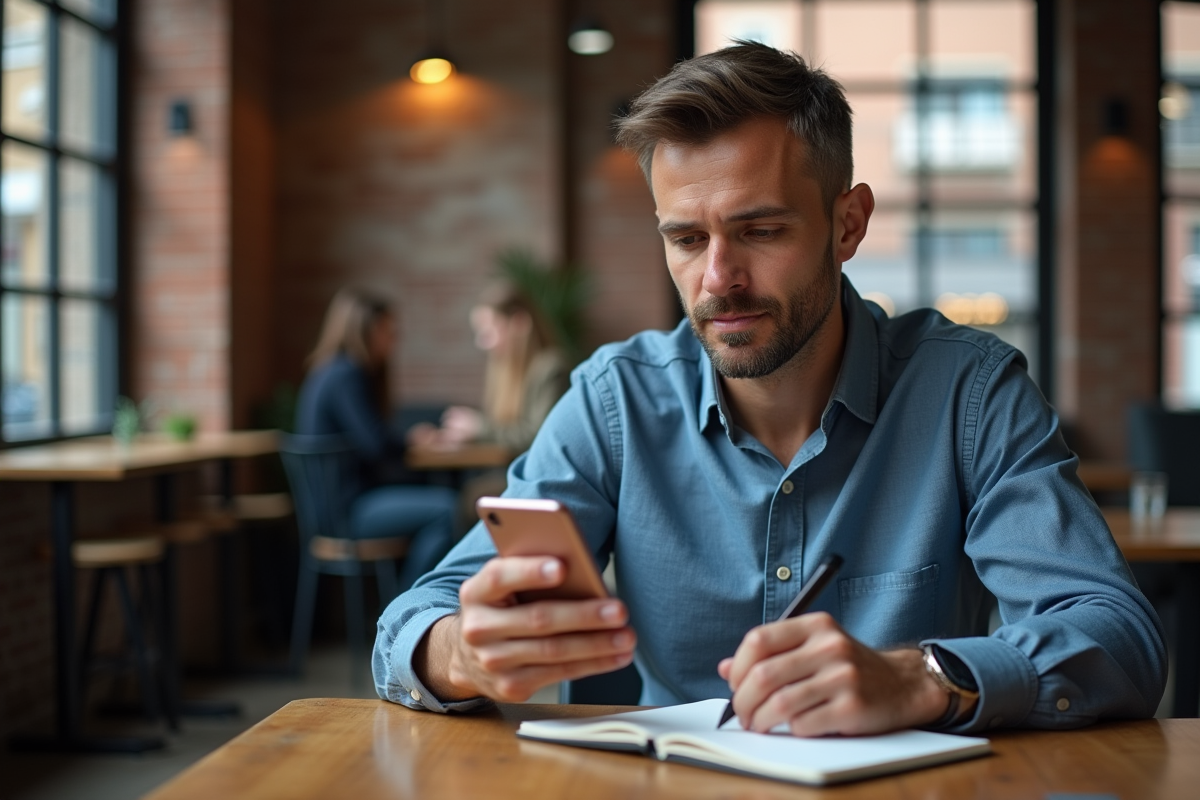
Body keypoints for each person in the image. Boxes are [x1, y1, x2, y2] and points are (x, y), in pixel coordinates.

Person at [373, 43, 1166, 737]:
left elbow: (1120, 636)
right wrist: (458, 649)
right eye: (686, 239)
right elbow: (413, 620)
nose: (718, 279)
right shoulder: (614, 403)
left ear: (848, 224)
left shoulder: (969, 392)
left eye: (761, 230)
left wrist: (921, 678)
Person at [295, 287, 456, 594]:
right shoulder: (346, 374)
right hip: (347, 512)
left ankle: (406, 604)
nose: (394, 339)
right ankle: (403, 611)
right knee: (448, 509)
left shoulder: (327, 370)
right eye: (387, 331)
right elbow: (375, 443)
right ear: (364, 330)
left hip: (330, 508)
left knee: (439, 510)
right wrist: (413, 440)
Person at [408, 282, 569, 457]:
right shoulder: (506, 372)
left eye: (488, 332)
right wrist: (455, 434)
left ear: (519, 323)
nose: (481, 343)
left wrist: (479, 428)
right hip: (508, 471)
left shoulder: (550, 368)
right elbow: (502, 427)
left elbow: (539, 436)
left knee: (474, 486)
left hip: (533, 477)